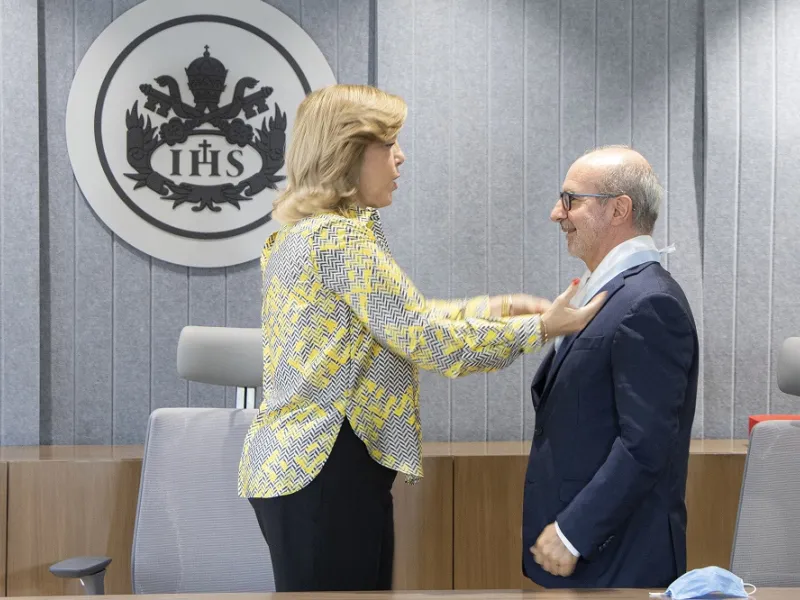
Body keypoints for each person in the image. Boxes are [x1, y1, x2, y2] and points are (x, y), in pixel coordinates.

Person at [237, 84, 605, 593]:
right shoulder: (339, 239)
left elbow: (402, 318)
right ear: (348, 152)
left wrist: (499, 308)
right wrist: (540, 329)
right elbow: (424, 338)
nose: (401, 156)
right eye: (389, 144)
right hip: (325, 468)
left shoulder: (313, 232)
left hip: (309, 466)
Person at [522, 145, 699, 589]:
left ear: (619, 209)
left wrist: (573, 531)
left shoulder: (649, 302)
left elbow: (646, 444)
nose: (556, 214)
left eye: (570, 200)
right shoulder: (611, 293)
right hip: (592, 561)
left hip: (618, 560)